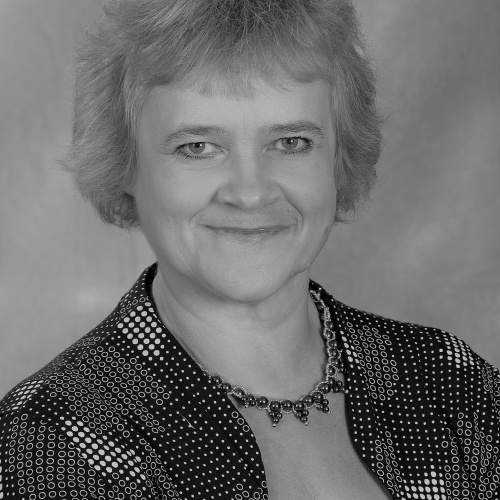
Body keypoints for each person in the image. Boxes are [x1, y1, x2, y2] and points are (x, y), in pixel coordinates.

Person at [0, 0, 498, 498]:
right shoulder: (52, 439)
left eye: (291, 142)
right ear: (126, 166)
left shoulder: (449, 382)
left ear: (339, 158)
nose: (251, 193)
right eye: (198, 147)